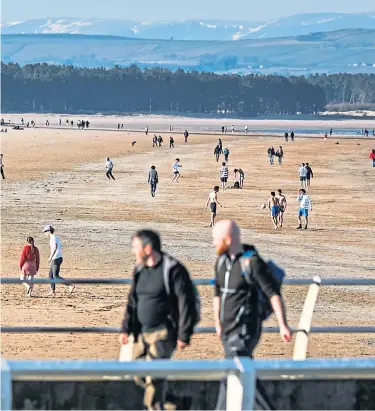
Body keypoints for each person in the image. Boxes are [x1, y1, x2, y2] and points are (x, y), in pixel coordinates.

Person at [212, 220, 292, 410]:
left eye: (216, 239)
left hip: (245, 329)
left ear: (228, 239)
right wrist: (217, 322)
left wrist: (283, 325)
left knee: (232, 374)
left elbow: (273, 294)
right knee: (239, 375)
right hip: (227, 331)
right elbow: (217, 292)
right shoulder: (221, 262)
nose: (213, 243)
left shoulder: (252, 263)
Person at [119, 230, 198, 410]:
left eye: (135, 248)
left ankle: (155, 407)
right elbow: (132, 302)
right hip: (141, 333)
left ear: (147, 249)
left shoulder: (173, 270)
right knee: (136, 373)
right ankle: (175, 403)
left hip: (164, 332)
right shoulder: (139, 270)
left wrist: (184, 335)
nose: (133, 252)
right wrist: (125, 329)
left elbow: (187, 304)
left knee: (154, 376)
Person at [43, 225, 75, 296]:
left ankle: (70, 285)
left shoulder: (53, 237)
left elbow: (55, 247)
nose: (45, 233)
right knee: (50, 275)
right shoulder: (55, 237)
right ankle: (52, 291)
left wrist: (50, 257)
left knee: (55, 276)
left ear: (48, 231)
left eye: (45, 232)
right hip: (58, 258)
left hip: (56, 258)